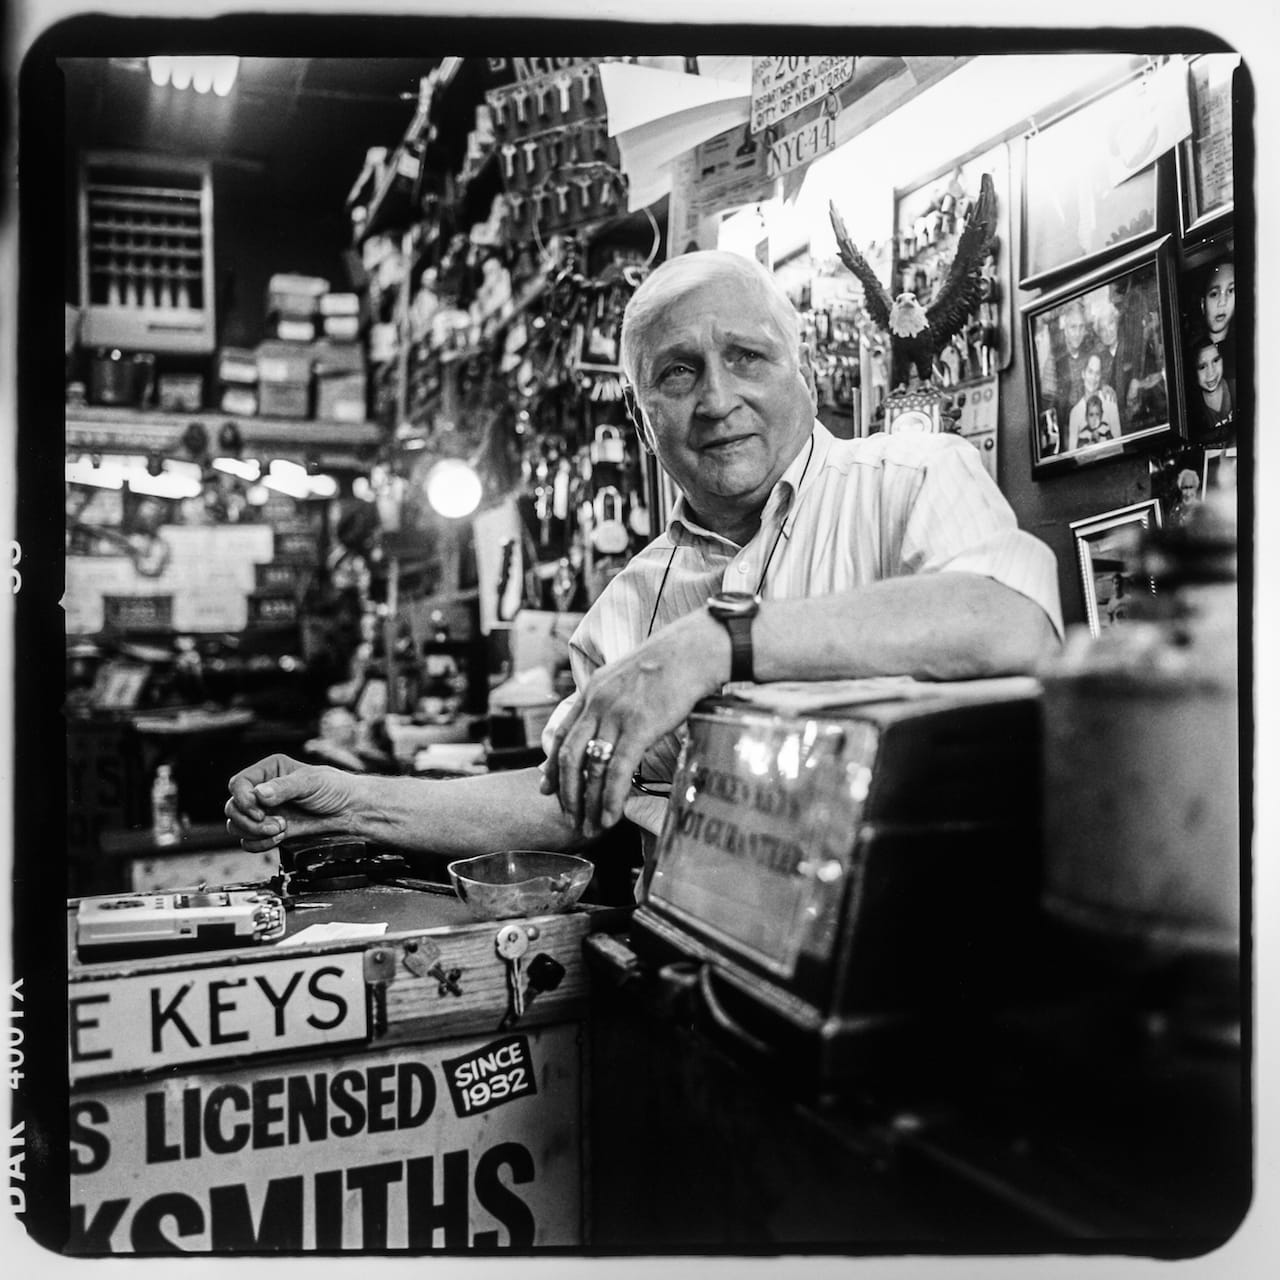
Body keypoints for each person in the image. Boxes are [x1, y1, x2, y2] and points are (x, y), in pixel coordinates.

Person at [226, 251, 1063, 868]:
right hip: (728, 957)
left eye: (746, 357)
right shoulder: (629, 604)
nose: (716, 399)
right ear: (639, 415)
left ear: (800, 374)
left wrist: (711, 645)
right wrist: (355, 803)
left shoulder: (911, 479)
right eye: (678, 373)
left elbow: (1011, 627)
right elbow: (565, 802)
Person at [1066, 356, 1121, 449]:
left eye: (1097, 373)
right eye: (1090, 372)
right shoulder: (1075, 412)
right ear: (1083, 374)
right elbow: (1073, 455)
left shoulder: (1109, 401)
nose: (1093, 378)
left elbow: (1119, 445)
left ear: (1100, 377)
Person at [1188, 329, 1235, 438]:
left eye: (1216, 360)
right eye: (1202, 367)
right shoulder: (1193, 408)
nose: (1211, 372)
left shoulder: (1236, 388)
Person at [1199, 257, 1236, 383]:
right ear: (1203, 304)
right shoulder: (1191, 355)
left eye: (1230, 291)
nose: (1222, 302)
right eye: (1214, 294)